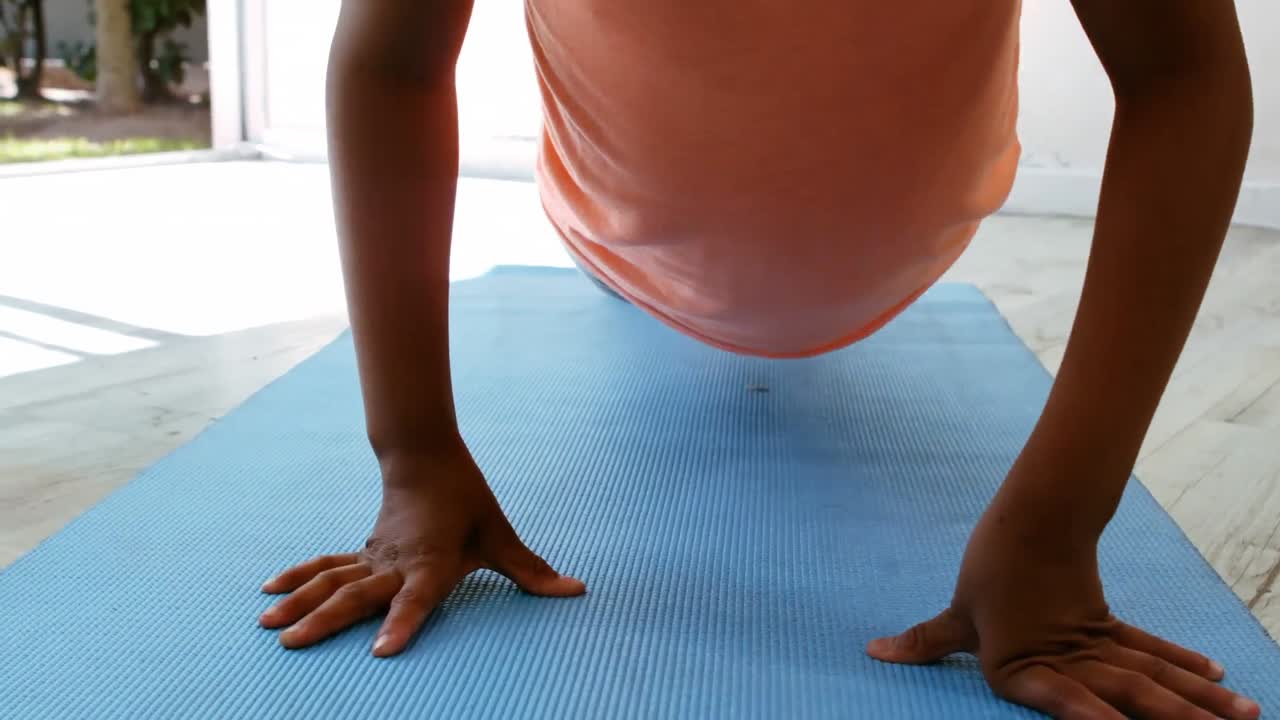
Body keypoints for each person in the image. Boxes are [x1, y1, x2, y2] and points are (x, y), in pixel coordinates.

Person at [256, 2, 1259, 717]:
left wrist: (1055, 524)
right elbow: (394, 58)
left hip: (909, 244)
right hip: (619, 234)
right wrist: (414, 455)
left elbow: (1180, 69)